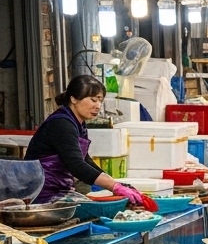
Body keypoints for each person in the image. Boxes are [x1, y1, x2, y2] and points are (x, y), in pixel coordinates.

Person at [26, 75, 154, 208]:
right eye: (93, 100)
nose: (98, 106)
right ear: (73, 99)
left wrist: (117, 184)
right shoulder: (61, 123)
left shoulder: (78, 124)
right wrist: (113, 186)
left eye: (100, 101)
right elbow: (76, 165)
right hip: (41, 196)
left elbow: (85, 160)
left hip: (59, 192)